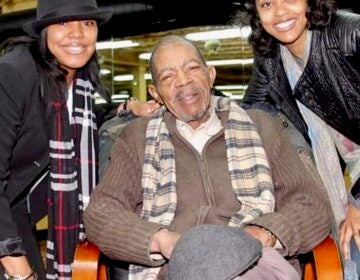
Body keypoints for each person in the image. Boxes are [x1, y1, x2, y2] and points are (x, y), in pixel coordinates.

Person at [83, 35, 332, 280]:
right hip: (175, 268)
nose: (182, 82)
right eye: (168, 77)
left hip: (256, 262)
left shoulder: (261, 125)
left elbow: (311, 203)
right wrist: (163, 241)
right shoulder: (135, 137)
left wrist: (261, 234)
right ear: (155, 93)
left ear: (210, 75)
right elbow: (102, 212)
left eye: (192, 68)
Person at [233, 0, 360, 275]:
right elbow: (248, 116)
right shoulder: (271, 58)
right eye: (267, 3)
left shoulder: (351, 34)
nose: (279, 12)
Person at [0, 0, 114, 279]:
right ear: (43, 32)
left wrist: (123, 109)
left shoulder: (77, 80)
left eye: (87, 23)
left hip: (15, 212)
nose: (77, 34)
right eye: (63, 23)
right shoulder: (13, 74)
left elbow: (63, 124)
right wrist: (17, 267)